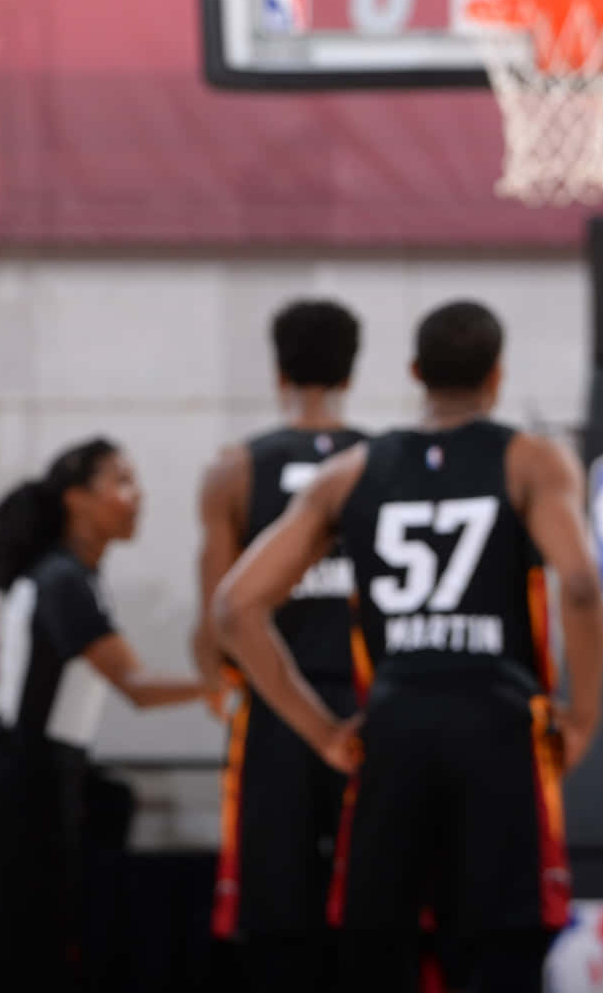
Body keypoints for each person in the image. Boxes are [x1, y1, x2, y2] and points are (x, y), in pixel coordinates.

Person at [215, 300, 603, 993]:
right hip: (496, 721)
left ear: (416, 373)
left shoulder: (353, 471)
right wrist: (583, 714)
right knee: (500, 945)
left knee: (381, 947)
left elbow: (234, 607)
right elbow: (579, 583)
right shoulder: (531, 459)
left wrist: (322, 732)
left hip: (393, 724)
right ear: (497, 375)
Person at [0, 440, 209, 992]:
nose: (137, 496)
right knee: (25, 957)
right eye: (121, 481)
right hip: (28, 785)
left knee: (21, 951)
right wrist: (227, 686)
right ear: (77, 499)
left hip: (28, 782)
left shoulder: (56, 579)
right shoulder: (64, 581)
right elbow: (137, 688)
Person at [188, 299, 365, 989]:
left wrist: (215, 682)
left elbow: (216, 621)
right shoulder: (379, 462)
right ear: (352, 368)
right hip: (367, 708)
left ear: (277, 370)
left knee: (278, 917)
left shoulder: (235, 468)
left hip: (274, 708)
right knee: (373, 908)